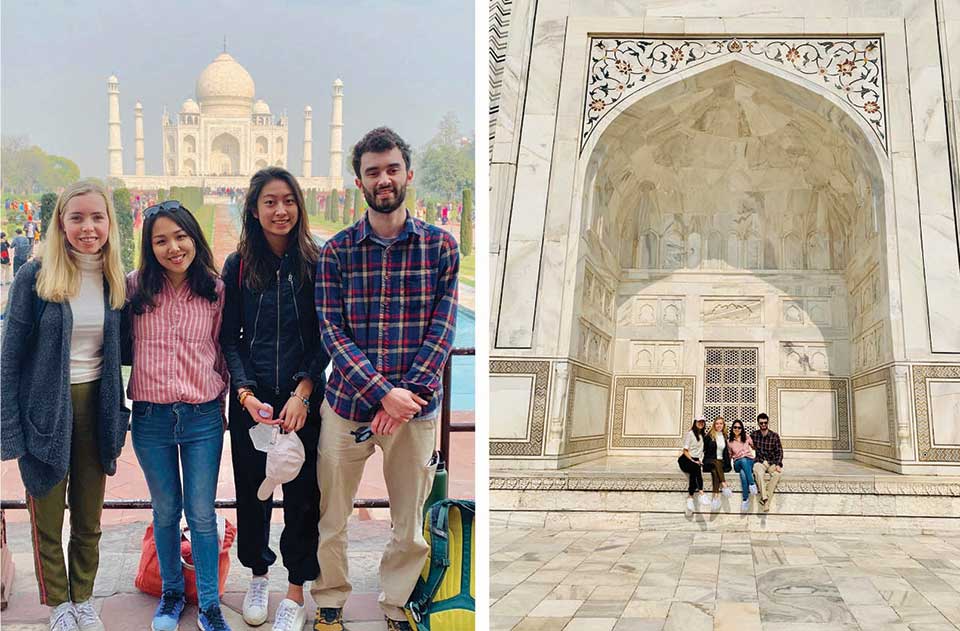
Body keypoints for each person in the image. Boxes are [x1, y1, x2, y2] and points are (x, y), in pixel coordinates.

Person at [312, 127, 458, 631]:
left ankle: (395, 601)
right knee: (332, 516)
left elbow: (443, 328)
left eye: (392, 168)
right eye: (373, 171)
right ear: (360, 182)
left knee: (408, 521)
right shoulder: (337, 252)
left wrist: (406, 398)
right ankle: (330, 599)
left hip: (414, 410)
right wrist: (382, 394)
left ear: (408, 174)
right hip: (349, 405)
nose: (384, 178)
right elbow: (332, 331)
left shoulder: (440, 247)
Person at [0, 181, 129, 631]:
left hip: (98, 407)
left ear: (110, 223)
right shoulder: (34, 279)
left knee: (89, 516)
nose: (88, 228)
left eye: (97, 217)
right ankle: (58, 604)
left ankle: (84, 597)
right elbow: (9, 360)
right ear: (61, 223)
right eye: (77, 218)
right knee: (48, 517)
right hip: (46, 411)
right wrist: (11, 432)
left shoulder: (114, 279)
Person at [220, 167, 328, 631]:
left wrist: (304, 391)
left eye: (288, 200)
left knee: (303, 496)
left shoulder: (318, 263)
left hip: (303, 400)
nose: (280, 210)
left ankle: (296, 591)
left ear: (299, 206)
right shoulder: (239, 264)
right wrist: (244, 394)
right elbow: (230, 339)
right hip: (254, 400)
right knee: (253, 492)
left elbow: (326, 336)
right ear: (254, 207)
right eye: (270, 201)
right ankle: (259, 576)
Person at [124, 201, 231, 631]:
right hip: (150, 416)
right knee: (166, 510)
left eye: (180, 236)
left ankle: (208, 603)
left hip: (202, 416)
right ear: (149, 247)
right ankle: (171, 594)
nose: (173, 247)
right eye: (161, 240)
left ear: (194, 237)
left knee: (202, 513)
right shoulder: (134, 288)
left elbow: (223, 348)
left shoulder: (215, 289)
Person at [751, 413, 784, 512]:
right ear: (758, 423)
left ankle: (764, 498)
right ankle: (766, 499)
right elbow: (743, 441)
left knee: (777, 475)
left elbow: (780, 452)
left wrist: (778, 464)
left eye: (765, 422)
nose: (763, 425)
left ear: (768, 422)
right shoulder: (754, 435)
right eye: (761, 423)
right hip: (760, 461)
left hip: (771, 462)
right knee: (758, 472)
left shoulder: (774, 436)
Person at [701, 417, 732, 510]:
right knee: (715, 463)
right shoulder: (709, 436)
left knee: (715, 471)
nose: (719, 425)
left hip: (720, 463)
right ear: (714, 425)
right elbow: (703, 449)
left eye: (721, 423)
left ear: (723, 425)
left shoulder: (725, 436)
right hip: (709, 461)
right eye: (717, 423)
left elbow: (725, 452)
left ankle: (715, 497)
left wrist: (728, 463)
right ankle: (724, 484)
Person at [678, 418, 707, 514]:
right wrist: (693, 461)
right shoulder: (690, 434)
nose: (700, 423)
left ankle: (690, 498)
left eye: (702, 422)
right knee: (695, 468)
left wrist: (699, 460)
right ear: (695, 423)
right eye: (699, 422)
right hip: (685, 459)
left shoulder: (703, 435)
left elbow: (701, 452)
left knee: (694, 472)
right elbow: (685, 451)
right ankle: (701, 493)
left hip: (696, 460)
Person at [728, 419, 757, 511]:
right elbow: (729, 455)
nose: (737, 429)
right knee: (743, 461)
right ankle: (752, 484)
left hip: (749, 461)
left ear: (742, 429)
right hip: (737, 462)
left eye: (739, 428)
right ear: (732, 428)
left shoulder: (747, 437)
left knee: (743, 473)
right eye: (735, 427)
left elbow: (754, 446)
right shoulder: (729, 441)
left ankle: (745, 499)